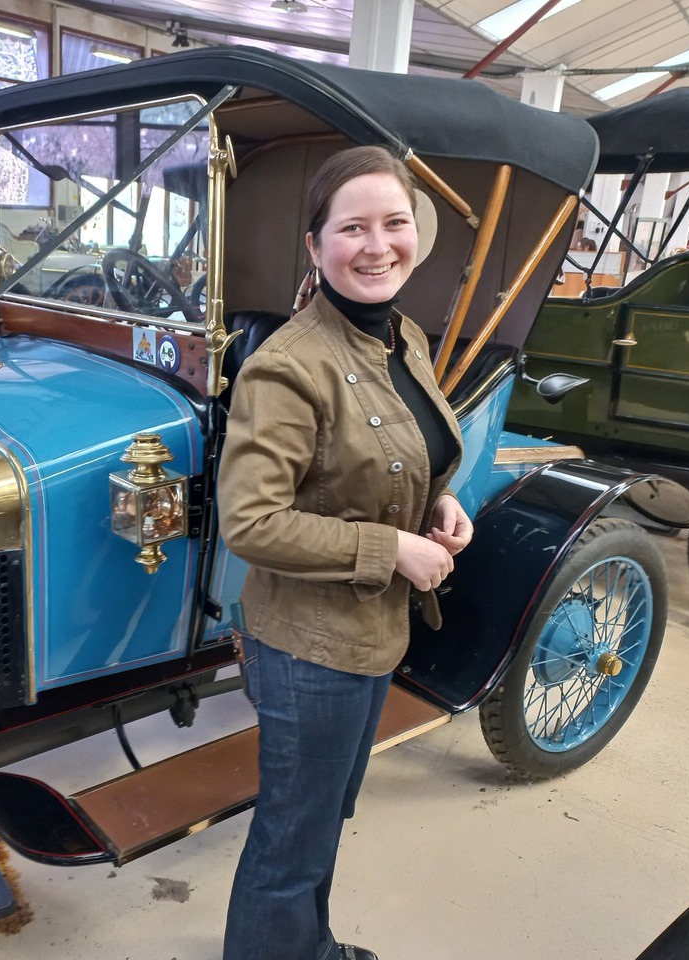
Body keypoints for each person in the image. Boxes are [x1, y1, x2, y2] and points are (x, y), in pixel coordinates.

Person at [217, 145, 473, 960]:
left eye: (394, 223)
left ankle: (309, 949)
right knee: (290, 841)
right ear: (316, 245)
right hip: (308, 649)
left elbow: (397, 451)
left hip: (369, 638)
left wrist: (438, 499)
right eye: (352, 227)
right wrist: (391, 547)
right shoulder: (287, 369)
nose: (377, 245)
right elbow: (251, 523)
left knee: (322, 817)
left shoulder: (403, 340)